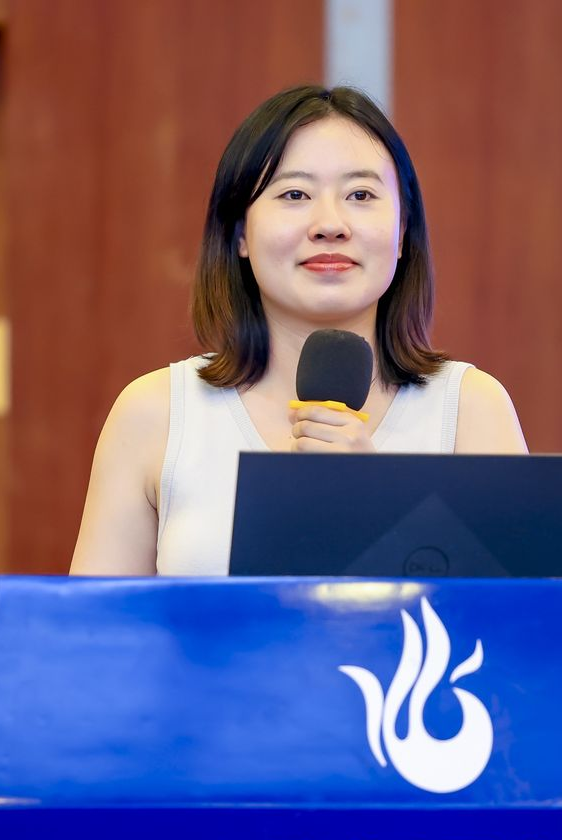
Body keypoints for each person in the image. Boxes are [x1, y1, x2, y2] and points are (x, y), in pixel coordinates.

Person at [69, 85, 527, 576]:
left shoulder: (470, 410)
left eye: (360, 195)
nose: (330, 224)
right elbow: (92, 622)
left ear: (401, 233)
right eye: (295, 194)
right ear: (240, 233)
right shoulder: (156, 413)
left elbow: (529, 617)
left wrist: (384, 501)